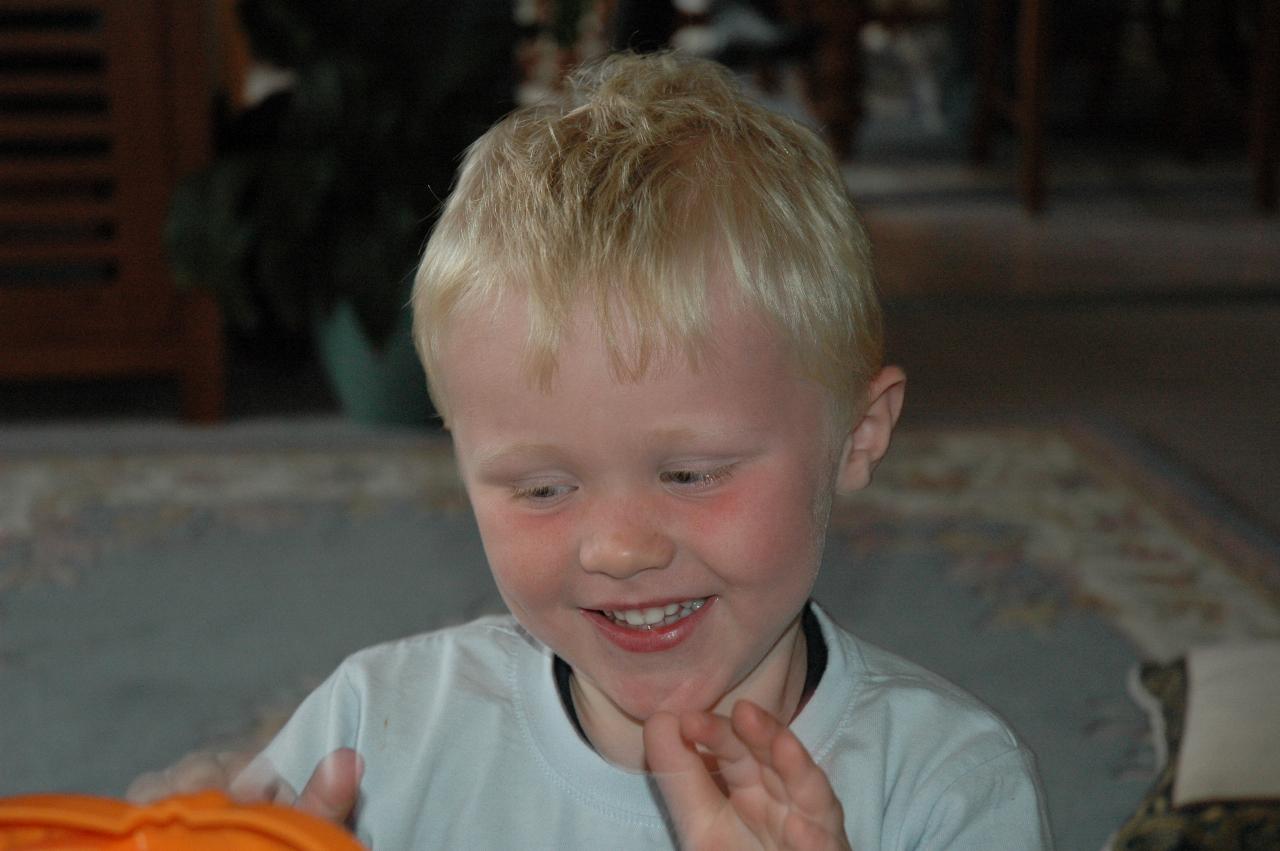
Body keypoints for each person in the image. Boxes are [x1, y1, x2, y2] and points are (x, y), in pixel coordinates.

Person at [129, 51, 1052, 849]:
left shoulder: (945, 784)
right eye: (539, 487)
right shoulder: (372, 732)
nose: (617, 547)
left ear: (859, 434)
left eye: (689, 474)